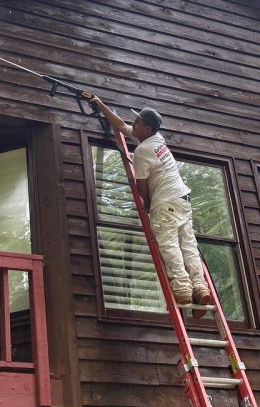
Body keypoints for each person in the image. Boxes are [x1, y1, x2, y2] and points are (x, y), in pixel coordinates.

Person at [89, 96, 213, 308]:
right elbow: (120, 125)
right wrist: (100, 105)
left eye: (137, 122)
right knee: (188, 246)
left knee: (170, 245)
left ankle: (183, 290)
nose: (133, 124)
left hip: (165, 204)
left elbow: (141, 186)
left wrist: (146, 204)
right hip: (183, 199)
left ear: (146, 129)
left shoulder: (142, 151)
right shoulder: (157, 140)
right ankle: (200, 288)